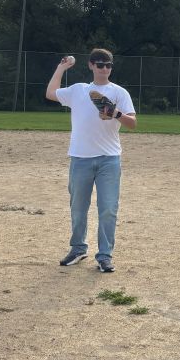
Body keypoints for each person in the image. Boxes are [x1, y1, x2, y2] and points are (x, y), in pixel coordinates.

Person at [45, 48, 137, 273]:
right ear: (91, 65)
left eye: (108, 65)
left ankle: (104, 256)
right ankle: (78, 249)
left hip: (109, 160)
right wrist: (62, 67)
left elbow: (132, 123)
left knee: (107, 209)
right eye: (100, 64)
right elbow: (50, 93)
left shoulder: (119, 92)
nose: (104, 68)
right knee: (78, 208)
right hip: (81, 159)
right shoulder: (79, 90)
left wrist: (114, 113)